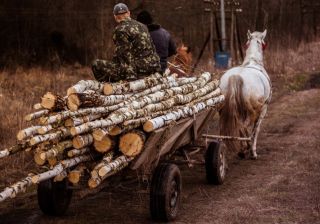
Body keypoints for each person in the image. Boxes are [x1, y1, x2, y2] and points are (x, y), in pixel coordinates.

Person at [92, 3, 161, 82]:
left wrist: (131, 79)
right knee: (116, 61)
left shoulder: (120, 30)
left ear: (115, 16)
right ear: (128, 13)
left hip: (137, 71)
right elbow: (152, 49)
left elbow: (125, 55)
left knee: (96, 64)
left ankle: (111, 86)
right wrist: (158, 70)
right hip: (152, 67)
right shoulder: (142, 26)